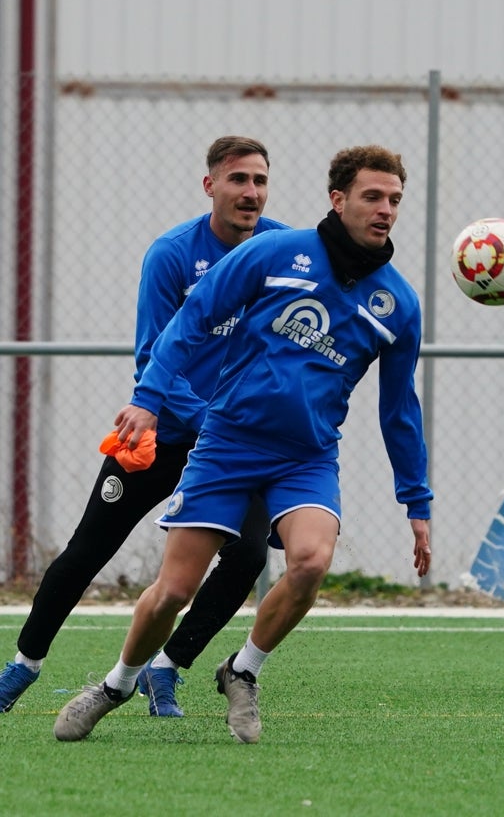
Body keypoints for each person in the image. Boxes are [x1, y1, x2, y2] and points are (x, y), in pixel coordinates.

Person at [52, 144, 433, 744]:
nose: (385, 209)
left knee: (310, 562)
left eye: (395, 200)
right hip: (226, 443)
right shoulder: (277, 252)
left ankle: (242, 670)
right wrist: (149, 399)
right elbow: (193, 317)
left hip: (306, 456)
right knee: (174, 590)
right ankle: (118, 683)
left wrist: (417, 502)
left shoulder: (399, 304)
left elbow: (399, 410)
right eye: (372, 196)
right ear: (338, 199)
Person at [0, 136, 286, 718]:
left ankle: (167, 669)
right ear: (211, 186)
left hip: (233, 448)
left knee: (248, 555)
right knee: (87, 550)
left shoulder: (283, 251)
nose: (250, 192)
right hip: (165, 434)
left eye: (259, 180)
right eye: (237, 180)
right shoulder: (172, 254)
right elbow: (153, 358)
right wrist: (211, 420)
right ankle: (22, 667)